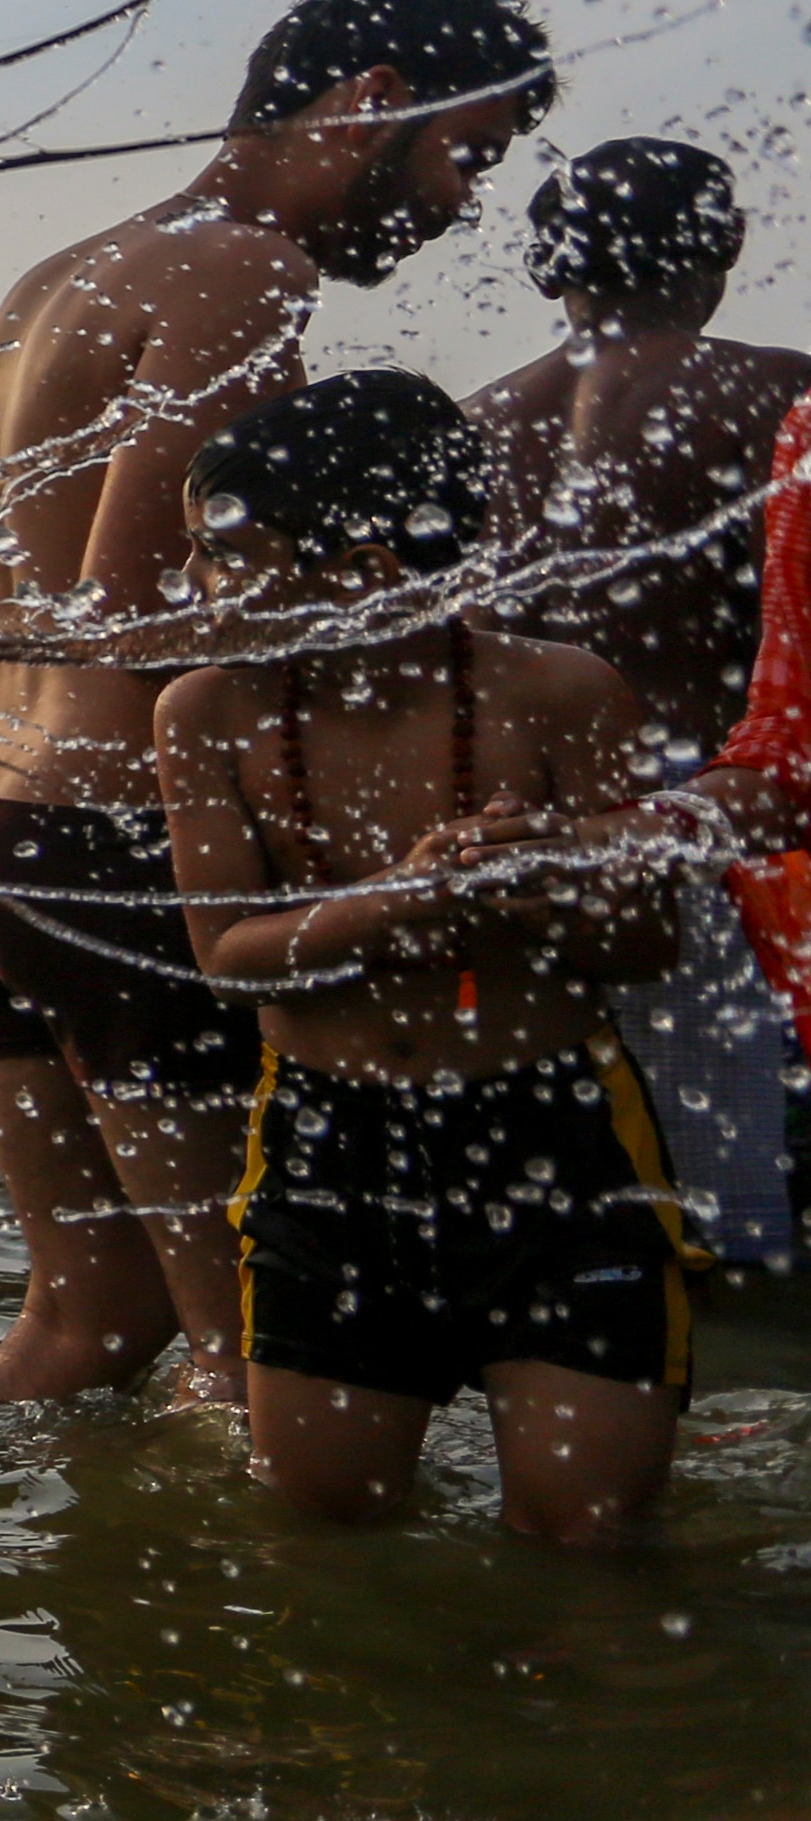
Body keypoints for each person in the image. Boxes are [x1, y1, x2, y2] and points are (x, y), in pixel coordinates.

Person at [0, 0, 554, 1405]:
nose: (465, 202)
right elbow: (141, 597)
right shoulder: (249, 268)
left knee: (87, 1315)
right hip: (115, 856)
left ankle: (2, 1591)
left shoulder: (64, 273)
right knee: (261, 1350)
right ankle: (297, 1626)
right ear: (370, 104)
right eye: (465, 152)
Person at [154, 374, 687, 1545]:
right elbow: (231, 961)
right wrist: (405, 898)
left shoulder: (559, 691)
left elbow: (652, 942)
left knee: (587, 1546)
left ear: (358, 561)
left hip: (555, 1143)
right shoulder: (206, 711)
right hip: (328, 1152)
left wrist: (529, 886)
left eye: (219, 551)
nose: (191, 584)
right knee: (330, 1542)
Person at [467, 137, 808, 1270]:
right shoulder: (779, 394)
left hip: (520, 847)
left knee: (582, 1228)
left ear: (547, 266)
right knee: (747, 1228)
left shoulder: (471, 427)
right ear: (719, 260)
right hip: (723, 843)